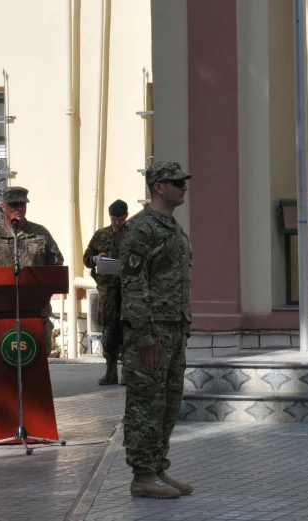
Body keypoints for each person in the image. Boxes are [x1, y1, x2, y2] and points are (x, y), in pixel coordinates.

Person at [118, 161, 193, 499]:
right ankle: (143, 475)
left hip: (174, 328)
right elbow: (134, 284)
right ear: (158, 187)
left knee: (168, 402)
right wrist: (145, 335)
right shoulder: (140, 228)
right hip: (150, 332)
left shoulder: (173, 227)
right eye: (177, 182)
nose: (183, 186)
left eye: (184, 181)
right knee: (146, 402)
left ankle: (157, 467)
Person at [0, 186, 63, 359]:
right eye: (14, 204)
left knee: (35, 359)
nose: (19, 208)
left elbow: (56, 265)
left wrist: (44, 292)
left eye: (23, 204)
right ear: (4, 206)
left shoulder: (40, 233)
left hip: (36, 309)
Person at [83, 199, 129, 385]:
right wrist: (95, 258)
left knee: (127, 331)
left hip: (129, 291)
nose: (117, 223)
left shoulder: (133, 234)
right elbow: (86, 258)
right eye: (113, 219)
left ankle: (127, 372)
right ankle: (110, 372)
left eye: (120, 219)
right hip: (107, 292)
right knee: (108, 331)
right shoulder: (100, 235)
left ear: (126, 216)